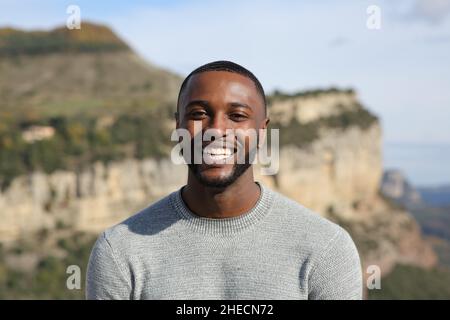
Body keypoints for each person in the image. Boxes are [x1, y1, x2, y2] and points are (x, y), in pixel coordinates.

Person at [86, 60, 363, 300]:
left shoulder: (326, 249)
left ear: (262, 131)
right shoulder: (120, 251)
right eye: (198, 114)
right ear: (178, 126)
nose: (216, 130)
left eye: (237, 116)